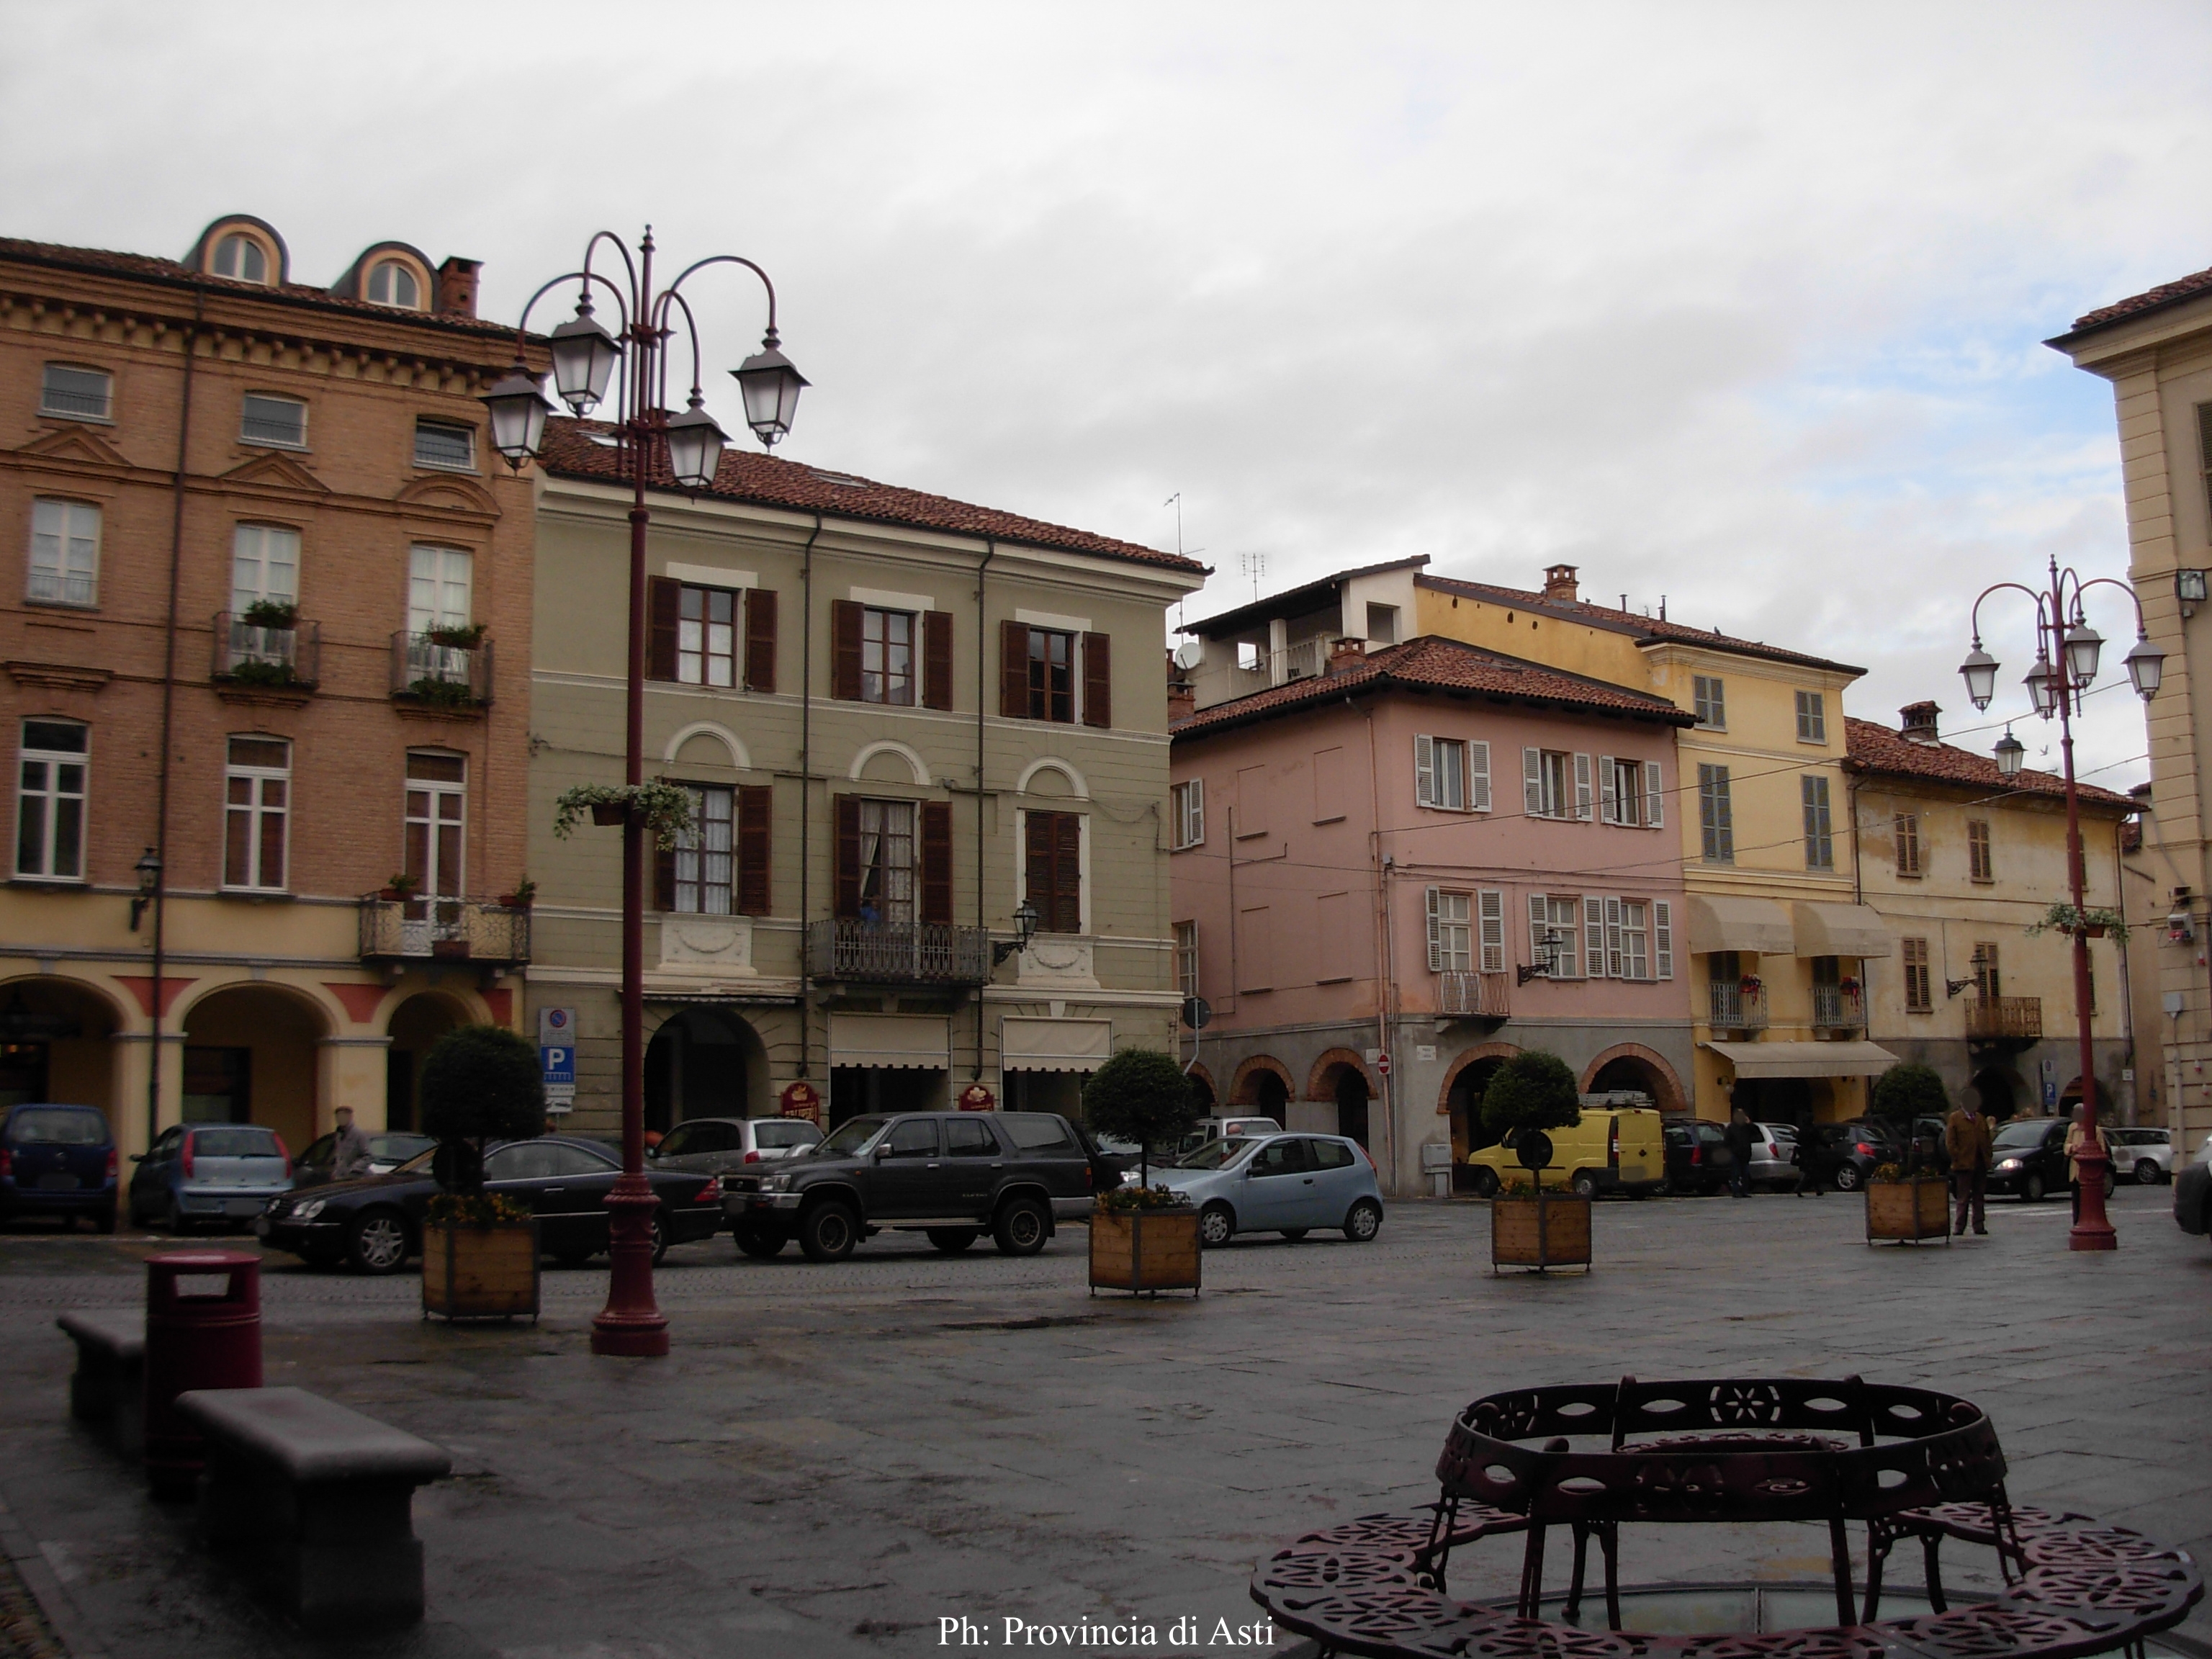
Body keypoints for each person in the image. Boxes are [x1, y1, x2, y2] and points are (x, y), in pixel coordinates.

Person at [1943, 1096, 1994, 1236]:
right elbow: (1950, 1142)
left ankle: (1979, 1225)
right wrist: (1958, 1157)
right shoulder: (1956, 1118)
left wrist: (1988, 1156)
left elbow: (1987, 1141)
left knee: (1979, 1196)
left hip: (1980, 1162)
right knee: (1963, 1197)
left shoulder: (1980, 1118)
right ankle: (1960, 1226)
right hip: (1963, 1164)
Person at [2064, 1102, 2110, 1223]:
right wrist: (2071, 1148)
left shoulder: (2095, 1130)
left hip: (2088, 1171)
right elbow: (2066, 1144)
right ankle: (2077, 1222)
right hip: (2075, 1170)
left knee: (2089, 1200)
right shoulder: (2072, 1128)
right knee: (2076, 1200)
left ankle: (2088, 1221)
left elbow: (2102, 1148)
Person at [330, 1106, 374, 1181]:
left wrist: (354, 1169)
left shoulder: (358, 1134)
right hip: (342, 1177)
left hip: (357, 1178)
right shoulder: (339, 1134)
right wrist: (336, 1172)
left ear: (350, 1117)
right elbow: (341, 1157)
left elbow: (368, 1156)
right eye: (338, 1117)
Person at [1723, 1109, 1755, 1199]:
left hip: (1746, 1154)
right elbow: (1726, 1141)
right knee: (1735, 1174)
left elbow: (1756, 1133)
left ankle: (1745, 1191)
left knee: (1745, 1174)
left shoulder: (1747, 1127)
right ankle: (1736, 1192)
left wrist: (1750, 1124)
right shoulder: (1731, 1127)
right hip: (1735, 1154)